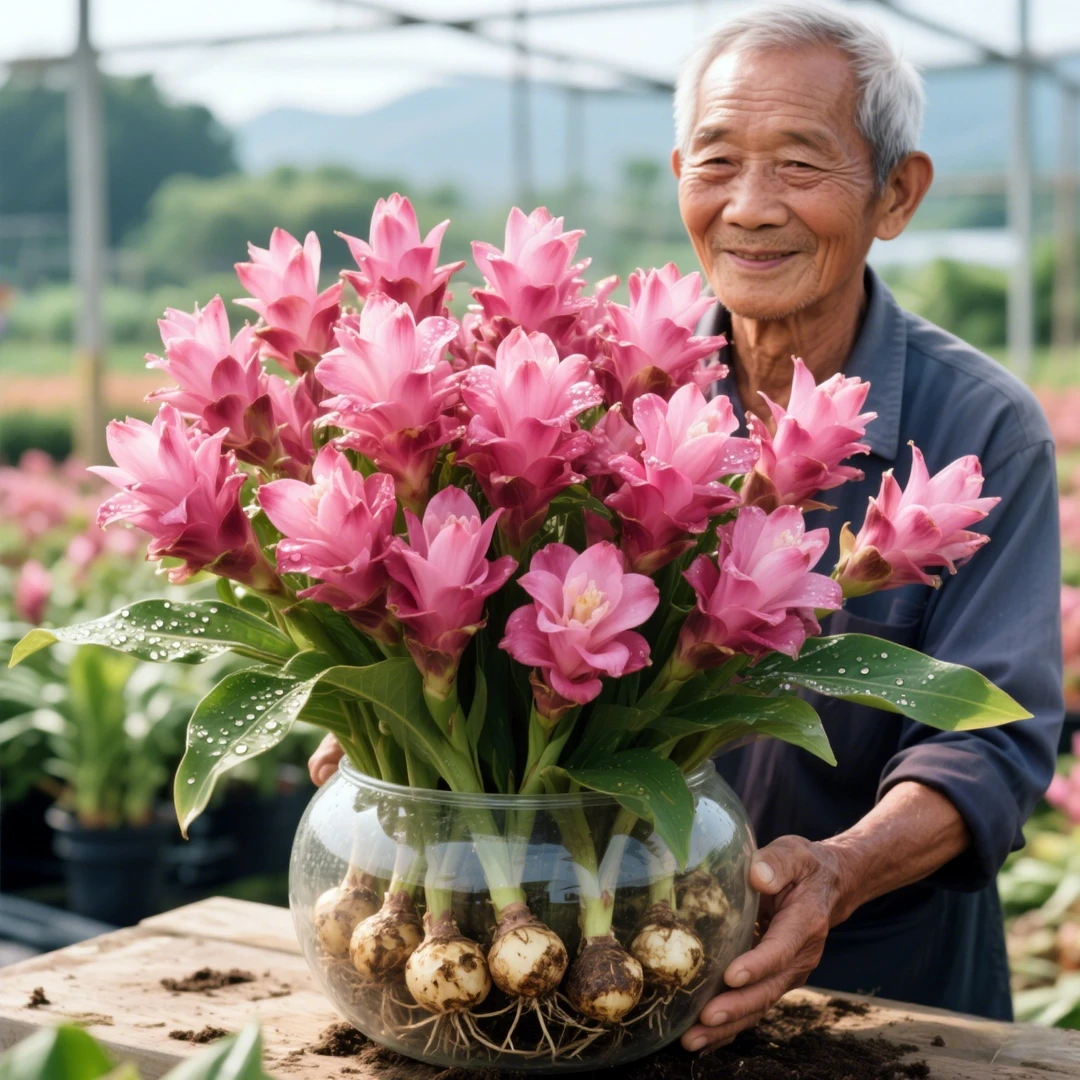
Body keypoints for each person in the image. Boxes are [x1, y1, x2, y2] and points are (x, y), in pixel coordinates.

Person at [309, 2, 1064, 1053]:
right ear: (679, 176)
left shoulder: (982, 428)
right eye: (717, 163)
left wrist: (838, 871)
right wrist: (402, 711)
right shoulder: (602, 391)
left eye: (801, 165)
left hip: (881, 998)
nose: (750, 208)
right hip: (589, 984)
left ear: (896, 193)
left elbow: (993, 740)